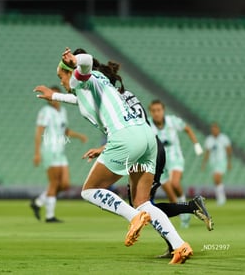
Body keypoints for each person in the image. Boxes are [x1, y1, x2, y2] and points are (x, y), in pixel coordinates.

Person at [35, 48, 193, 264]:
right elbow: (79, 99)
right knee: (143, 202)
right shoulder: (95, 84)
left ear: (69, 72)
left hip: (125, 138)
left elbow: (86, 63)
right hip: (147, 137)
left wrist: (76, 60)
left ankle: (134, 217)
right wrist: (54, 96)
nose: (60, 81)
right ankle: (180, 246)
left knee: (89, 190)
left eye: (60, 76)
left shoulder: (81, 79)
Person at [83, 59, 213, 258]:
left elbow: (126, 131)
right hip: (148, 145)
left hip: (145, 149)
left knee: (143, 205)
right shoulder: (126, 96)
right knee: (141, 204)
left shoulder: (113, 101)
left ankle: (189, 211)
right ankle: (175, 241)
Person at [31, 86, 88, 222]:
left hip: (60, 151)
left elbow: (64, 130)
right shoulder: (45, 111)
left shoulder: (62, 111)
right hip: (50, 150)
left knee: (65, 184)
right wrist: (37, 153)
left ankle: (38, 202)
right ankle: (50, 216)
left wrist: (79, 136)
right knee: (54, 182)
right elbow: (39, 132)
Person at [149, 100, 203, 228]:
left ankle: (185, 210)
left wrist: (196, 144)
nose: (157, 113)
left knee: (175, 183)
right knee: (171, 197)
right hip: (160, 162)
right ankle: (184, 210)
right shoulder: (148, 125)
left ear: (163, 110)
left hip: (175, 158)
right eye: (154, 111)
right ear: (151, 112)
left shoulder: (172, 121)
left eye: (159, 110)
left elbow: (187, 129)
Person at [202, 122, 232, 206]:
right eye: (212, 129)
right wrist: (204, 163)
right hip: (213, 163)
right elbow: (207, 152)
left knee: (217, 177)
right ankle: (220, 197)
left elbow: (229, 150)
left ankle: (221, 198)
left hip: (221, 161)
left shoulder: (224, 138)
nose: (214, 130)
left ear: (218, 129)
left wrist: (229, 162)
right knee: (216, 180)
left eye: (215, 129)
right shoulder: (209, 139)